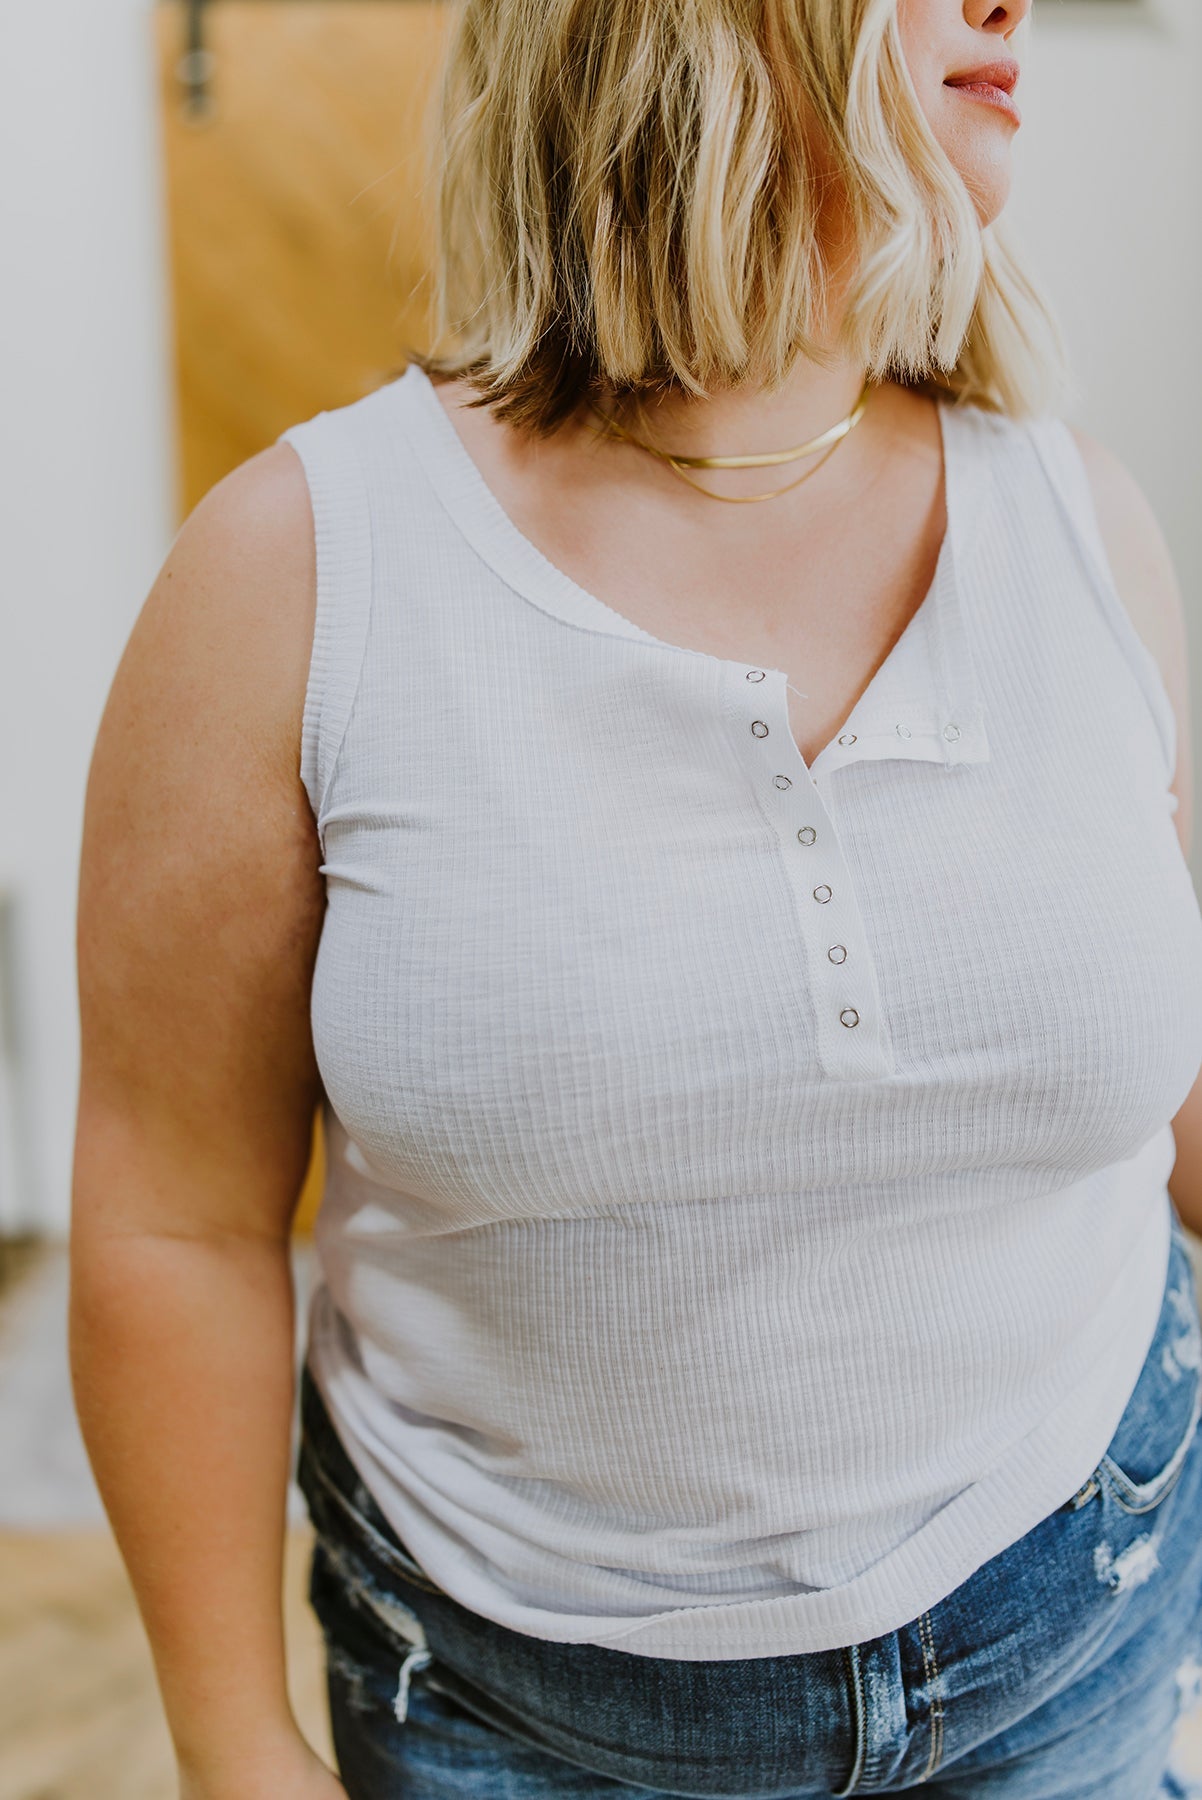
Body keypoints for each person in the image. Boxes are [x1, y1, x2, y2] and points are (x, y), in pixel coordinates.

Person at [69, 0, 1202, 1794]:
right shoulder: (296, 575)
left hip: (1083, 1626)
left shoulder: (1083, 519)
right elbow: (174, 1222)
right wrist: (233, 1744)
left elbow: (1160, 1090)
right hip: (517, 1713)